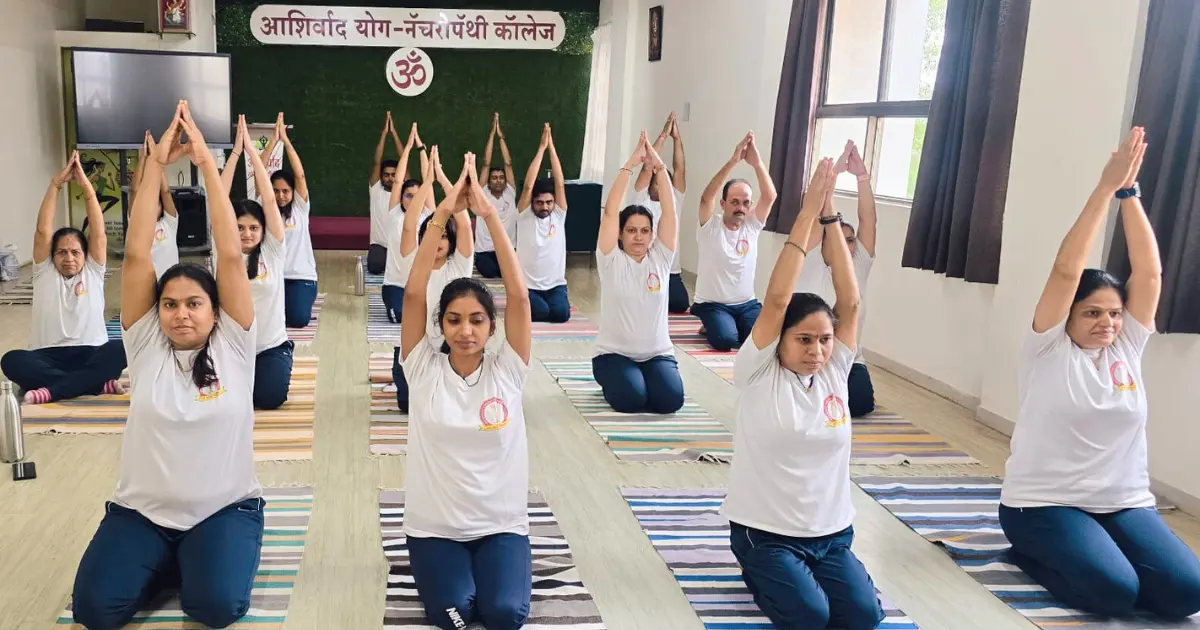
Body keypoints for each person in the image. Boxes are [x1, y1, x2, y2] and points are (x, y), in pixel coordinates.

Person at [70, 100, 264, 630]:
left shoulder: (234, 344)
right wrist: (153, 166)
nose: (181, 314)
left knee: (215, 608)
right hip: (143, 513)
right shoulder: (146, 344)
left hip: (222, 509)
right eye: (171, 304)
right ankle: (164, 560)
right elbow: (134, 257)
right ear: (157, 313)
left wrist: (206, 163)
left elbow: (228, 256)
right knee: (96, 611)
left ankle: (198, 561)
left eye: (194, 303)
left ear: (215, 310)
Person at [998, 128, 1200, 620]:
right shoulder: (1047, 348)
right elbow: (1067, 271)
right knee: (1113, 592)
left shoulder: (1127, 346)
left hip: (1122, 501)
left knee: (1186, 594)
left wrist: (1129, 194)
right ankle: (1029, 555)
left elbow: (1149, 275)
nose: (1107, 323)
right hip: (1042, 505)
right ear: (1067, 316)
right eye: (1091, 313)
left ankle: (1100, 550)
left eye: (1113, 313)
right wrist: (1104, 189)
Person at [722, 157, 885, 630]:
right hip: (765, 532)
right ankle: (759, 571)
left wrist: (832, 214)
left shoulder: (835, 370)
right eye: (804, 340)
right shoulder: (756, 371)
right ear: (781, 339)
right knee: (811, 618)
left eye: (825, 340)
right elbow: (776, 300)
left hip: (830, 533)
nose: (817, 351)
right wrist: (809, 209)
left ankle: (808, 574)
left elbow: (850, 302)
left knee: (863, 617)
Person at [399, 151, 534, 630]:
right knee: (455, 617)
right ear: (441, 324)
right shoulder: (421, 367)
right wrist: (441, 214)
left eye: (477, 320)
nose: (465, 331)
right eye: (453, 320)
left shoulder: (508, 370)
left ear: (491, 326)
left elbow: (519, 296)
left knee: (503, 616)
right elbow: (413, 293)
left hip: (500, 527)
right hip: (435, 529)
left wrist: (489, 214)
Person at [0, 151, 126, 405]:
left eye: (75, 252)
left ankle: (53, 390)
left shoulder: (93, 271)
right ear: (52, 255)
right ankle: (94, 385)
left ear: (85, 254)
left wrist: (87, 189)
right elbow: (42, 230)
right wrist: (55, 185)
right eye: (62, 252)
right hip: (47, 356)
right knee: (10, 360)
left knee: (121, 348)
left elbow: (99, 234)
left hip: (92, 353)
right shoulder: (44, 272)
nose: (69, 258)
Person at [592, 132, 683, 414]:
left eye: (645, 231)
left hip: (657, 355)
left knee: (670, 402)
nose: (638, 237)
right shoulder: (610, 259)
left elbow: (670, 212)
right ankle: (617, 380)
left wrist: (659, 168)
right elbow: (609, 213)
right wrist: (630, 165)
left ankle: (644, 379)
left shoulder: (661, 258)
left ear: (652, 234)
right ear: (620, 234)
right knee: (631, 401)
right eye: (631, 230)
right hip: (613, 355)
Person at [389, 147, 474, 413]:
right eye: (431, 236)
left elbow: (464, 223)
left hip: (451, 349)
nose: (437, 240)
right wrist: (427, 183)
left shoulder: (459, 265)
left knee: (449, 404)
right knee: (408, 405)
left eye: (443, 236)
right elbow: (408, 224)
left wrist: (444, 179)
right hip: (415, 351)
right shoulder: (413, 264)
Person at [797, 140, 878, 417]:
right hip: (812, 356)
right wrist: (830, 180)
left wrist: (862, 176)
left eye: (851, 241)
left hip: (849, 359)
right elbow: (811, 216)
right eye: (838, 239)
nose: (846, 246)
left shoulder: (859, 266)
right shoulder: (812, 261)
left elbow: (868, 220)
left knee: (860, 404)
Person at [221, 115, 293, 410]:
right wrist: (237, 152)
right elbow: (218, 196)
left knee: (269, 399)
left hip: (269, 346)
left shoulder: (273, 251)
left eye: (253, 228)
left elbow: (269, 200)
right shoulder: (224, 250)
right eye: (239, 227)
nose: (247, 234)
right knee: (223, 401)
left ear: (263, 230)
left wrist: (254, 157)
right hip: (231, 346)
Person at [691, 131, 778, 350]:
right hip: (713, 304)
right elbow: (705, 197)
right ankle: (713, 324)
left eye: (746, 203)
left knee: (764, 340)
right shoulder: (710, 226)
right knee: (725, 341)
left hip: (747, 304)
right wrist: (734, 160)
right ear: (723, 204)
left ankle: (729, 325)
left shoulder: (751, 225)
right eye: (735, 202)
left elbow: (770, 196)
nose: (740, 208)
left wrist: (757, 164)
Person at [261, 113, 317, 328]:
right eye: (275, 191)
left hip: (300, 276)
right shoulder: (264, 207)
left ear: (293, 192)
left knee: (298, 320)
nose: (281, 195)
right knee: (265, 321)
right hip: (271, 276)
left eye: (285, 191)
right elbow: (260, 172)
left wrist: (285, 140)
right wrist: (273, 141)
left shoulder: (300, 209)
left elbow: (300, 175)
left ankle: (303, 299)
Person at [632, 112, 689, 313]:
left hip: (671, 272)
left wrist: (677, 138)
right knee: (646, 302)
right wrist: (663, 136)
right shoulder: (642, 200)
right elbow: (647, 167)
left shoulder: (674, 201)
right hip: (646, 266)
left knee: (680, 304)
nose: (663, 183)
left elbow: (680, 168)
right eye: (659, 179)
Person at [514, 123, 571, 322]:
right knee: (542, 313)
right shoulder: (524, 215)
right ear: (532, 203)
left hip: (555, 285)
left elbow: (560, 182)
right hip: (528, 285)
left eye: (548, 202)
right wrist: (541, 149)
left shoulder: (558, 215)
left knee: (561, 315)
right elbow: (529, 184)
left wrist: (552, 148)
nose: (544, 207)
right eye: (539, 203)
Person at [130, 130, 179, 278]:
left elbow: (166, 191)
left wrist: (157, 160)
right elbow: (134, 191)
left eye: (155, 203)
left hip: (170, 281)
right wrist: (144, 158)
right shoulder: (136, 225)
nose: (151, 207)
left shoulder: (169, 223)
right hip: (145, 285)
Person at [475, 112, 519, 278]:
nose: (498, 181)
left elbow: (508, 163)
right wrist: (492, 135)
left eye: (501, 178)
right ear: (489, 181)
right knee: (490, 272)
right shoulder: (482, 194)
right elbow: (486, 163)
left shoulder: (510, 192)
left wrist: (501, 138)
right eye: (494, 178)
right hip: (485, 250)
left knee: (508, 272)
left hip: (507, 248)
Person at [367, 111, 407, 274]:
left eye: (393, 175)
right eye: (386, 175)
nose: (390, 178)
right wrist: (385, 134)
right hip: (380, 245)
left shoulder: (404, 190)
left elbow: (404, 158)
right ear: (382, 176)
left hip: (401, 243)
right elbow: (377, 161)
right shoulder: (375, 189)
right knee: (375, 267)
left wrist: (395, 134)